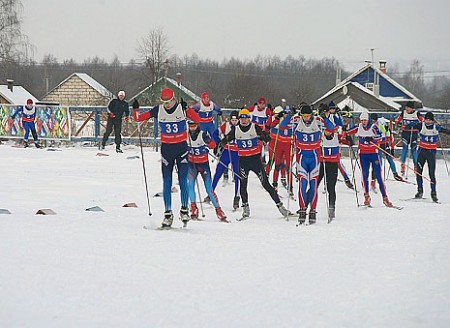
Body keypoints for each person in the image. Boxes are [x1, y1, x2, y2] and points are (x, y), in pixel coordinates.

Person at [133, 88, 201, 228]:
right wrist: (136, 109)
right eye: (164, 102)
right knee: (166, 182)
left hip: (181, 148)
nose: (167, 104)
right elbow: (138, 118)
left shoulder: (181, 108)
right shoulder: (158, 110)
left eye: (169, 101)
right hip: (167, 149)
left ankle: (184, 209)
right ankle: (168, 214)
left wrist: (188, 109)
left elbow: (197, 119)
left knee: (183, 180)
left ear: (174, 98)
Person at [220, 108, 291, 220]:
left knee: (266, 184)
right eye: (242, 118)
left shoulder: (254, 127)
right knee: (243, 185)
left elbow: (265, 135)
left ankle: (280, 207)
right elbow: (225, 140)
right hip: (243, 161)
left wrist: (265, 138)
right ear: (239, 119)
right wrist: (218, 145)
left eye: (246, 118)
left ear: (249, 118)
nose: (244, 120)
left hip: (255, 161)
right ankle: (245, 209)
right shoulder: (236, 130)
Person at [283, 104, 334, 224]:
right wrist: (290, 114)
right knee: (303, 184)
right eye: (304, 116)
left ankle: (313, 210)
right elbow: (283, 126)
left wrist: (325, 118)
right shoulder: (296, 120)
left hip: (315, 158)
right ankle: (302, 210)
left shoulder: (318, 121)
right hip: (302, 157)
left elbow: (331, 128)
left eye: (308, 116)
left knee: (313, 184)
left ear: (312, 114)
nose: (306, 118)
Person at [345, 111, 393, 207]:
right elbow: (347, 132)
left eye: (365, 120)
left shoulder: (373, 127)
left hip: (373, 154)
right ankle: (366, 196)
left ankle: (385, 197)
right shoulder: (358, 127)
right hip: (363, 155)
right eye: (362, 120)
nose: (363, 122)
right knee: (364, 175)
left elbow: (380, 136)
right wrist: (346, 136)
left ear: (368, 120)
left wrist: (371, 139)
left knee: (379, 177)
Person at [186, 120, 228, 222]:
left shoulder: (203, 135)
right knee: (190, 186)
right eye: (190, 126)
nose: (192, 128)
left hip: (203, 165)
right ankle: (193, 208)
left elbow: (213, 144)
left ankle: (218, 210)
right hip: (192, 165)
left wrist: (207, 146)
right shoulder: (185, 135)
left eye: (194, 125)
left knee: (209, 189)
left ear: (197, 125)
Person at [413, 111, 450, 202]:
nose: (428, 121)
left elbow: (446, 131)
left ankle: (433, 193)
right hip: (422, 152)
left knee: (431, 173)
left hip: (431, 153)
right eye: (426, 119)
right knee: (419, 172)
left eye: (429, 120)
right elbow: (410, 126)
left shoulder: (436, 127)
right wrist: (408, 126)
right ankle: (420, 190)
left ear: (432, 120)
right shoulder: (421, 126)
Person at [211, 110, 241, 210]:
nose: (234, 122)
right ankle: (211, 193)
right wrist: (218, 142)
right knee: (218, 171)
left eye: (236, 120)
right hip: (227, 151)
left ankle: (236, 197)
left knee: (237, 174)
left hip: (237, 153)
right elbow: (215, 133)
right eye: (232, 120)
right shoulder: (226, 125)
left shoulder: (242, 127)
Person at [265, 106, 294, 197]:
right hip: (278, 144)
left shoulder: (292, 121)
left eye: (288, 113)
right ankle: (274, 185)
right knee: (277, 164)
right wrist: (277, 118)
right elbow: (271, 126)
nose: (286, 115)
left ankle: (290, 187)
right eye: (285, 113)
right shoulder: (278, 120)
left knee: (288, 166)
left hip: (288, 145)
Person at [369, 113, 403, 191]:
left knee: (390, 158)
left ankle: (395, 174)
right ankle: (373, 180)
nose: (374, 122)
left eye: (374, 121)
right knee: (378, 162)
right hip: (377, 144)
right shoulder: (371, 126)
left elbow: (390, 136)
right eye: (372, 121)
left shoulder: (382, 124)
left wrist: (392, 149)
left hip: (384, 143)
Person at [394, 101, 424, 175]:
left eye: (409, 107)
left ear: (412, 108)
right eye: (406, 107)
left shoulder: (416, 113)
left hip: (413, 133)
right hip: (405, 133)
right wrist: (399, 123)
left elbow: (422, 121)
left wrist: (414, 125)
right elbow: (397, 120)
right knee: (404, 149)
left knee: (414, 150)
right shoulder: (403, 112)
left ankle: (416, 166)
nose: (407, 109)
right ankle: (403, 165)